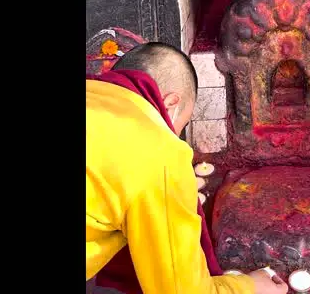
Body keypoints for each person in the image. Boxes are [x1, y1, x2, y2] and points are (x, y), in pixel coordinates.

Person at [86, 43, 286, 294]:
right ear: (170, 103)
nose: (176, 136)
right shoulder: (156, 151)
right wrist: (252, 287)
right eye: (182, 125)